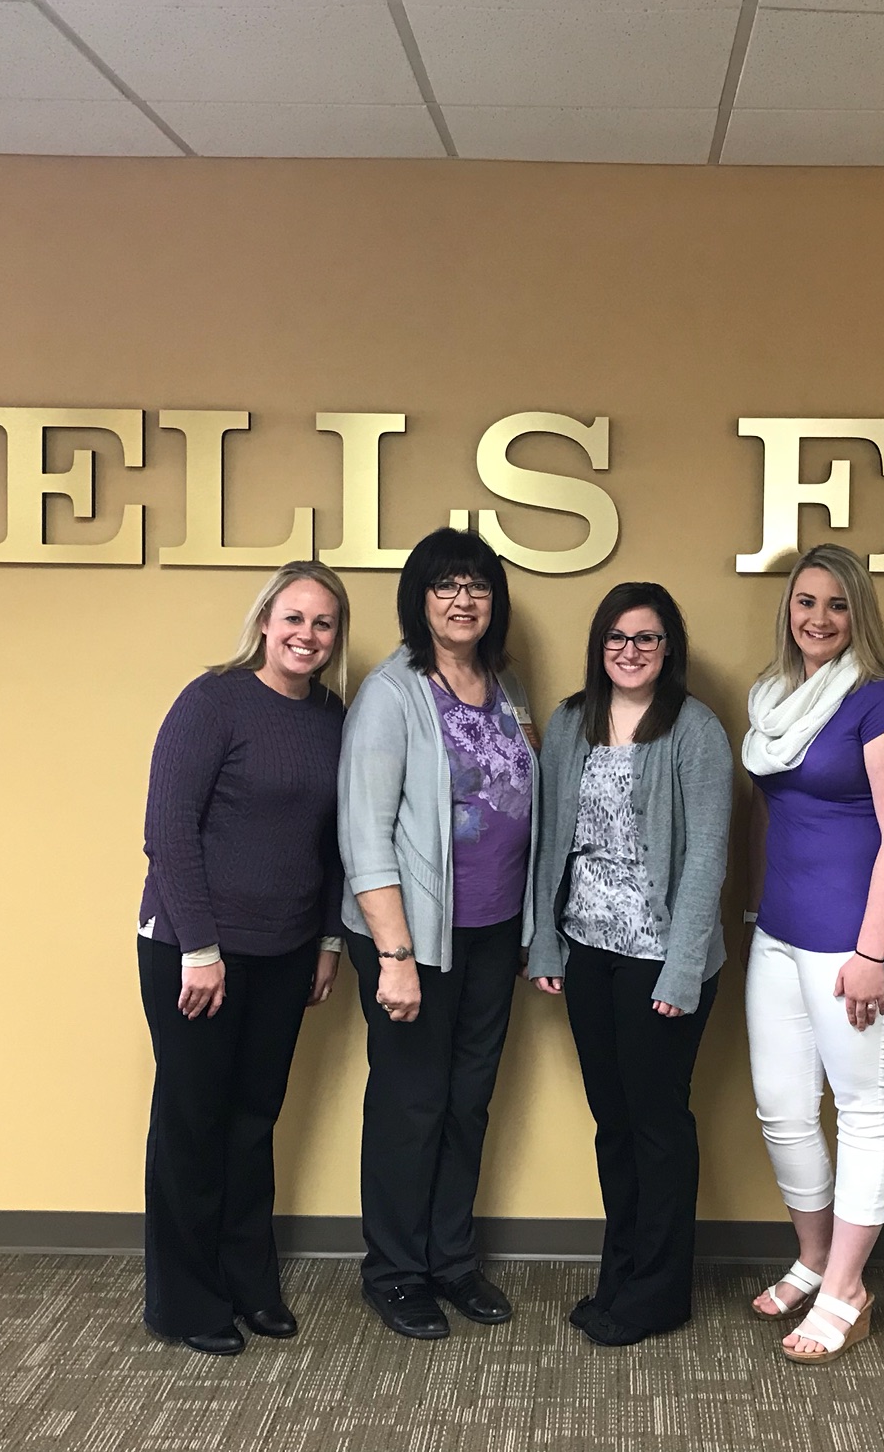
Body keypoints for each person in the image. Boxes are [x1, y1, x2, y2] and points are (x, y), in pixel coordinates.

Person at [137, 560, 350, 1356]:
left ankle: (248, 1283)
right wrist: (200, 949)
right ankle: (186, 1302)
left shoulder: (331, 716)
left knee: (253, 1122)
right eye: (293, 618)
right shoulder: (213, 700)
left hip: (287, 948)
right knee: (193, 1123)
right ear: (265, 621)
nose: (306, 635)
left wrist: (327, 940)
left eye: (323, 623)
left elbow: (335, 842)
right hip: (195, 951)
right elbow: (168, 831)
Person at [338, 527, 539, 1341]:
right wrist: (395, 956)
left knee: (467, 1103)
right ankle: (394, 1272)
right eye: (446, 585)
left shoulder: (505, 684)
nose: (463, 600)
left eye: (478, 586)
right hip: (412, 939)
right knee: (410, 1105)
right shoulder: (391, 694)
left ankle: (451, 1260)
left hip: (492, 933)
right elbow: (364, 832)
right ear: (419, 599)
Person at [527, 583, 732, 1347]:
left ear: (669, 647)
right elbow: (550, 839)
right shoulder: (570, 721)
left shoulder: (695, 729)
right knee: (613, 1125)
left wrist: (682, 971)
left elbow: (708, 856)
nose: (631, 651)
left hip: (659, 960)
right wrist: (544, 941)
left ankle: (659, 1293)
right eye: (617, 637)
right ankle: (620, 1275)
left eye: (647, 637)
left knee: (657, 1126)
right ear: (599, 645)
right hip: (587, 951)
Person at [742, 544, 884, 1364]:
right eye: (805, 601)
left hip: (860, 943)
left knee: (862, 1109)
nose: (818, 618)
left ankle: (848, 1288)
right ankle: (815, 1258)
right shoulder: (776, 698)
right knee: (783, 1108)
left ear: (861, 614)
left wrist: (872, 953)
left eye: (837, 604)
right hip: (780, 933)